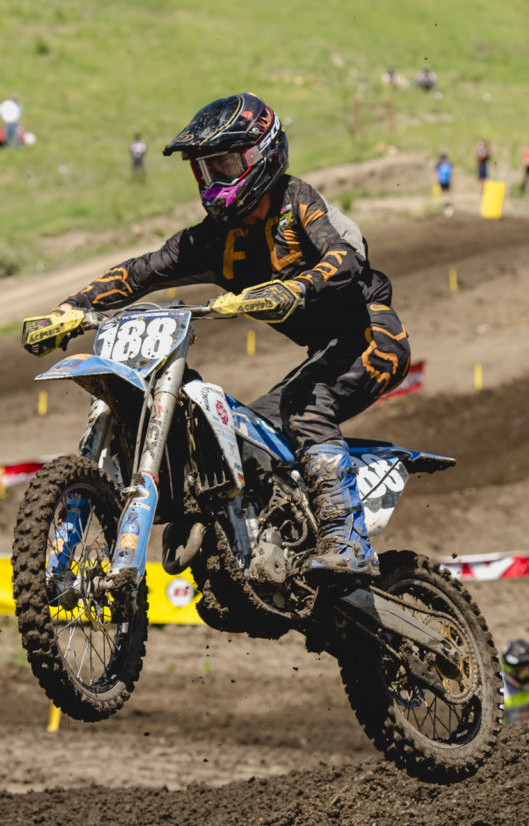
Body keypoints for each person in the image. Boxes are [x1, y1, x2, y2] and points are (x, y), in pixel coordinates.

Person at [50, 93, 411, 581]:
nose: (214, 178)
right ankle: (268, 541)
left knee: (306, 408)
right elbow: (142, 271)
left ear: (263, 153)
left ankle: (348, 540)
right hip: (323, 354)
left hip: (372, 336)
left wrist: (295, 287)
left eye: (224, 164)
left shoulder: (298, 203)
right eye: (205, 169)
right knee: (247, 435)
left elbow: (347, 259)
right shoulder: (214, 239)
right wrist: (73, 307)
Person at [435, 148, 453, 216]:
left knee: (447, 192)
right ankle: (446, 204)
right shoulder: (440, 162)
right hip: (442, 179)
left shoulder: (446, 162)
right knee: (445, 192)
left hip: (446, 179)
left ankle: (448, 204)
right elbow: (436, 171)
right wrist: (437, 178)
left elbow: (450, 171)